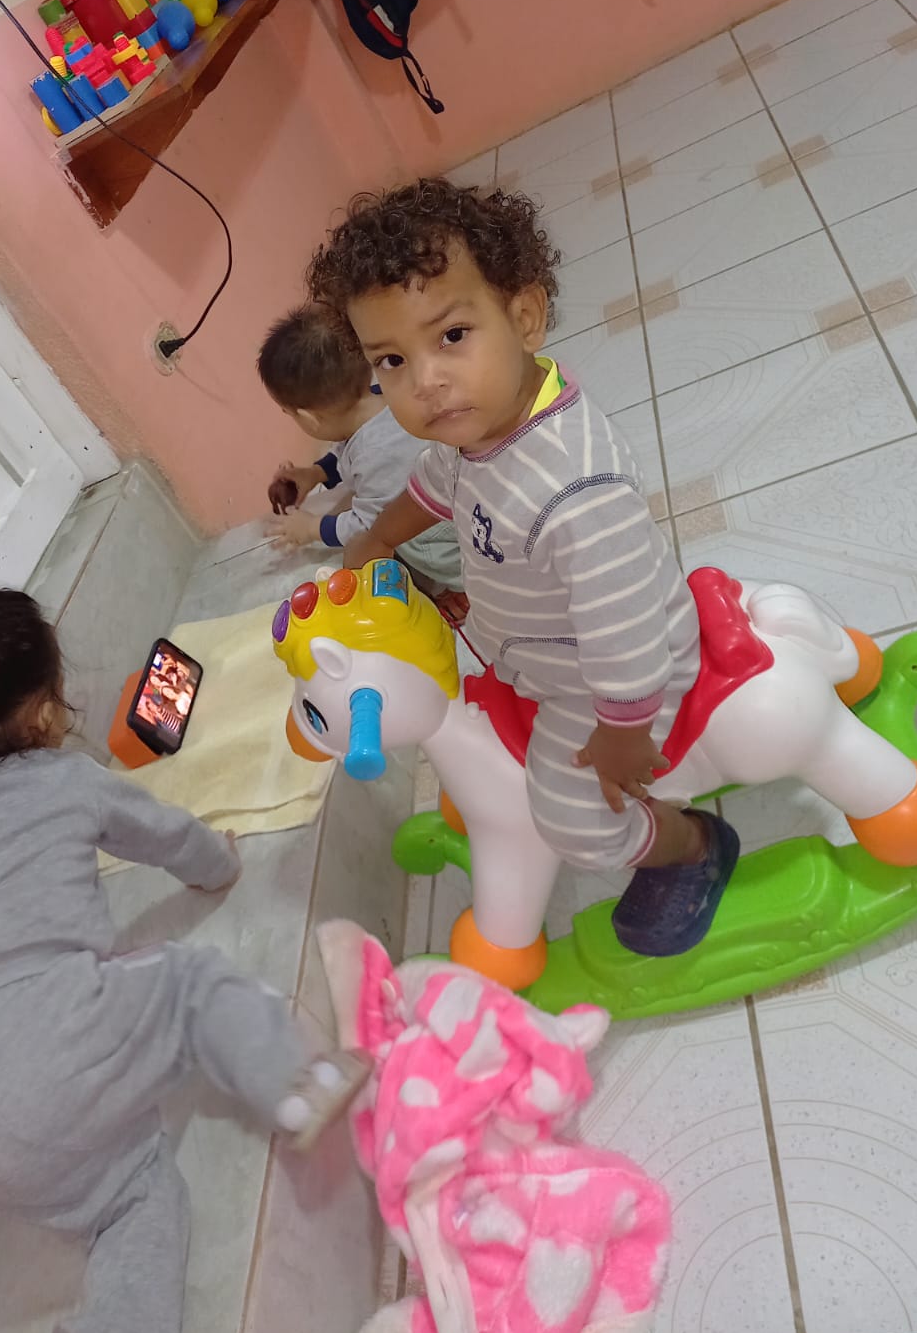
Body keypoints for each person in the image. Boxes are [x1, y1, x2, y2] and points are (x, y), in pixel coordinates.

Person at [0, 585, 367, 1333]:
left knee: (134, 1196)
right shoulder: (63, 780)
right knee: (186, 984)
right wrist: (218, 862)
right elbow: (170, 838)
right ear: (42, 714)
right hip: (53, 1041)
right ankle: (296, 1084)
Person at [305, 178, 739, 958]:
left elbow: (626, 636)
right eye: (392, 360)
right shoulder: (480, 429)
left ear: (526, 316)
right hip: (541, 649)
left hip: (611, 680)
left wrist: (620, 733)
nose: (425, 380)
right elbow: (433, 487)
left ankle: (691, 846)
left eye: (452, 336)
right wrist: (374, 540)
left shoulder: (576, 492)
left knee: (572, 823)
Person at [257, 303, 468, 621]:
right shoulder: (377, 396)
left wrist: (313, 528)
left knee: (411, 544)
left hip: (449, 525)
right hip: (449, 485)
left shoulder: (378, 455)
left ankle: (463, 587)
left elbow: (369, 525)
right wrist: (314, 474)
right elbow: (347, 451)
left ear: (309, 418)